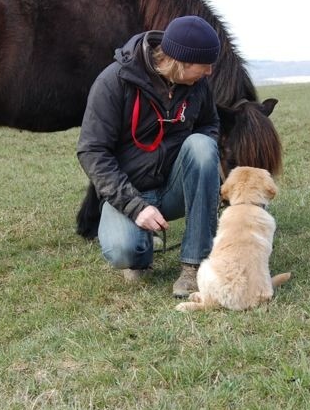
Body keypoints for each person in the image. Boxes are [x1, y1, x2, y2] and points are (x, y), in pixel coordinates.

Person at [77, 15, 222, 297]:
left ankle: (195, 265)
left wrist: (200, 173)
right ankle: (140, 252)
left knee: (202, 146)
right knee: (124, 250)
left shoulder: (197, 85)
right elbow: (91, 150)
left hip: (174, 186)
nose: (209, 72)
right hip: (129, 191)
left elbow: (209, 125)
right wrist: (135, 206)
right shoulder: (114, 82)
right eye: (205, 65)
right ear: (180, 62)